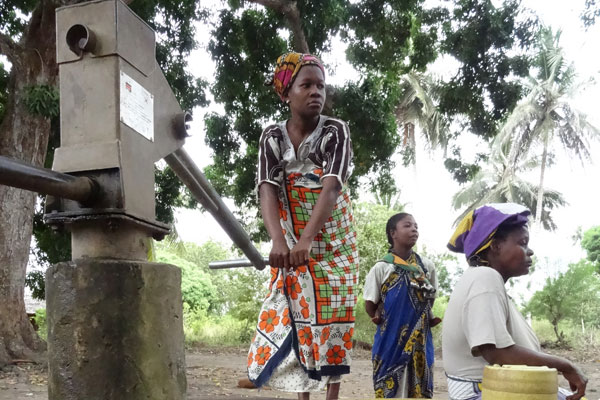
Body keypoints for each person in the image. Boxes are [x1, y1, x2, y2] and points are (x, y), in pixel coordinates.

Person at [247, 52, 359, 400]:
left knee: (334, 318)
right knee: (301, 318)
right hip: (292, 236)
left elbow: (332, 186)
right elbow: (267, 188)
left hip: (334, 238)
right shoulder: (272, 138)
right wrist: (278, 240)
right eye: (306, 84)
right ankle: (303, 396)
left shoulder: (335, 131)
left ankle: (331, 397)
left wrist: (307, 241)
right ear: (286, 94)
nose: (316, 92)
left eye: (321, 86)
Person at [443, 203, 588, 400]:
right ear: (495, 246)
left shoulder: (485, 281)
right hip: (486, 393)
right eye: (523, 242)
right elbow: (497, 353)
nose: (530, 251)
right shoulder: (484, 278)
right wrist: (565, 365)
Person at [363, 212, 440, 398]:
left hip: (420, 340)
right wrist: (384, 316)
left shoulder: (426, 266)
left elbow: (430, 299)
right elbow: (370, 303)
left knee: (419, 388)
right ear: (393, 233)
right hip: (389, 340)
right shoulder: (382, 267)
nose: (414, 229)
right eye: (407, 225)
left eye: (416, 226)